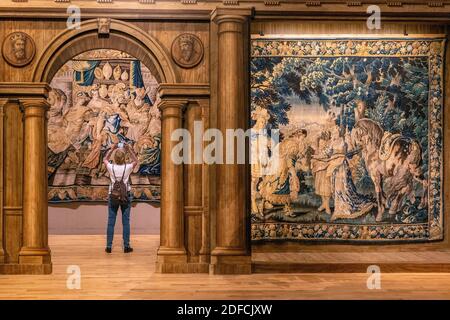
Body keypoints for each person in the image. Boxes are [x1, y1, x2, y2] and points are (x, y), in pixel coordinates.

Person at [102, 142, 139, 253]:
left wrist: (112, 148)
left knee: (111, 221)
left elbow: (105, 159)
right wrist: (129, 150)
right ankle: (126, 246)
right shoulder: (127, 167)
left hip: (112, 195)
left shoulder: (110, 167)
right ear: (124, 159)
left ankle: (109, 246)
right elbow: (136, 161)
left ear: (115, 158)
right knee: (126, 222)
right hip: (125, 195)